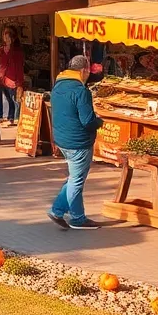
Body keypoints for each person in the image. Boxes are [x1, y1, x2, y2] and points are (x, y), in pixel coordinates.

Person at [48, 55, 104, 230]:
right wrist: (100, 122)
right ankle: (73, 217)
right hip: (78, 141)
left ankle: (66, 212)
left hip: (62, 139)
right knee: (77, 180)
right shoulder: (81, 91)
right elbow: (87, 121)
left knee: (74, 178)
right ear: (83, 70)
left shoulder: (58, 86)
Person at [0, 26, 25, 126]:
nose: (7, 39)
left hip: (13, 81)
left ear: (13, 38)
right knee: (6, 100)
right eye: (5, 36)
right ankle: (4, 117)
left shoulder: (18, 52)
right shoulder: (0, 51)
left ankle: (14, 119)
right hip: (2, 80)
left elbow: (20, 68)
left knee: (15, 101)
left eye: (9, 37)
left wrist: (20, 83)